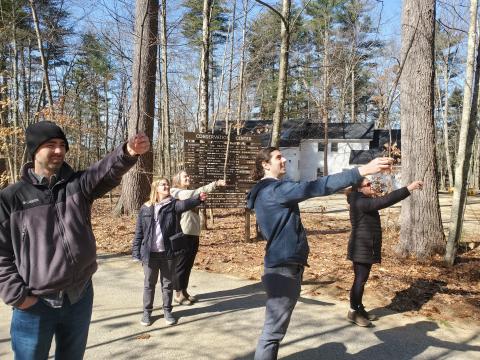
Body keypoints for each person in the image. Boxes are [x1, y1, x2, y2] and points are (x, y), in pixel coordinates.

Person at [0, 121, 150, 359]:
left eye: (62, 145)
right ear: (34, 150)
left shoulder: (76, 185)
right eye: (51, 145)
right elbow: (1, 254)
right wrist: (18, 296)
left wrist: (128, 152)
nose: (59, 151)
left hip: (79, 295)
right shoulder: (11, 198)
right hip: (36, 304)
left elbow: (104, 172)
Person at [246, 147, 393, 360]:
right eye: (278, 157)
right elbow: (317, 186)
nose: (285, 159)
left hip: (282, 264)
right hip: (283, 268)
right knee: (273, 331)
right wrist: (362, 171)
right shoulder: (275, 190)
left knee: (275, 329)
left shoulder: (264, 191)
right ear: (265, 165)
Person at [346, 177, 423, 327]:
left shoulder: (361, 200)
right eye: (368, 184)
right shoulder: (360, 202)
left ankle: (359, 308)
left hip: (365, 247)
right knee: (360, 280)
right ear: (359, 189)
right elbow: (385, 201)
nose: (371, 186)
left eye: (370, 183)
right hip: (361, 247)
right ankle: (353, 311)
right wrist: (409, 188)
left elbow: (379, 201)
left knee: (361, 279)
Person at [132, 178, 207, 326]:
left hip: (168, 253)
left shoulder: (173, 205)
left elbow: (185, 204)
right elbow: (139, 232)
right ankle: (147, 313)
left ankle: (168, 311)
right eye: (163, 185)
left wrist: (198, 198)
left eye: (167, 184)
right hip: (150, 254)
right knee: (149, 284)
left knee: (167, 284)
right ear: (156, 188)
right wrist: (136, 252)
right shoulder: (145, 208)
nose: (167, 186)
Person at [170, 170, 226, 304]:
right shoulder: (176, 192)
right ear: (177, 180)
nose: (188, 177)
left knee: (188, 265)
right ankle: (177, 294)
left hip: (194, 233)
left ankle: (184, 291)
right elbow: (195, 193)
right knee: (181, 265)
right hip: (183, 234)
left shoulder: (188, 193)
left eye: (188, 175)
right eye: (185, 176)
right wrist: (216, 184)